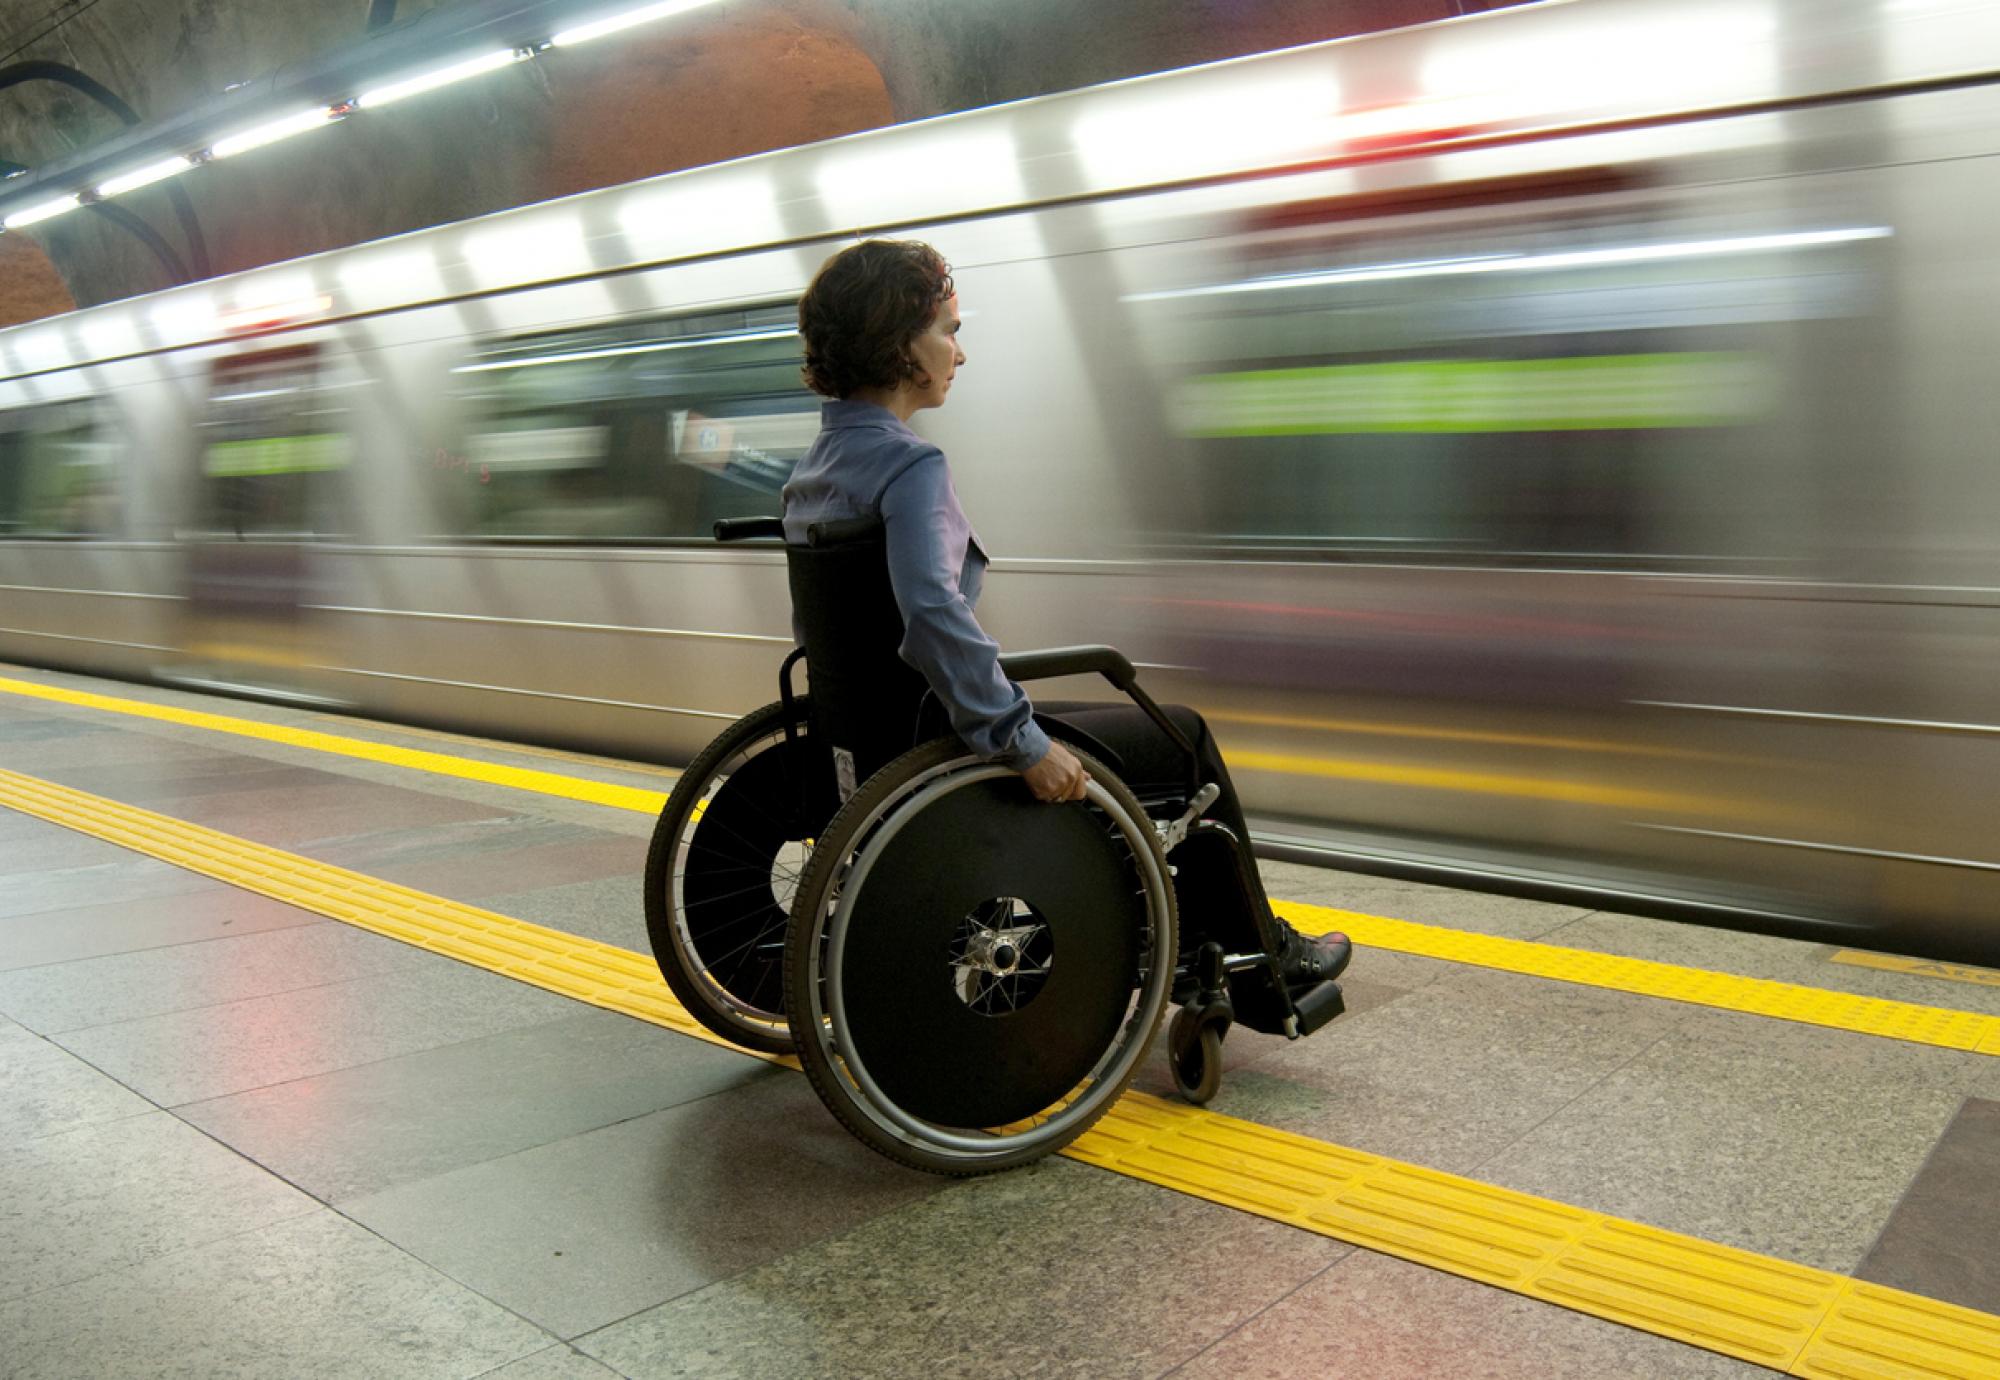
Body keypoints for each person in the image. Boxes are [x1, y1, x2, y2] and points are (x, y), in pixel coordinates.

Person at [780, 238, 1350, 998]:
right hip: (940, 731)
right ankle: (1260, 963)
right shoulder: (911, 467)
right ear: (897, 343)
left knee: (1122, 729)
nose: (960, 352)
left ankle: (1190, 936)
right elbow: (930, 615)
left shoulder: (812, 471)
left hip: (874, 732)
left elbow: (821, 633)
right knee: (1182, 738)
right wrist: (1020, 740)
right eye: (948, 330)